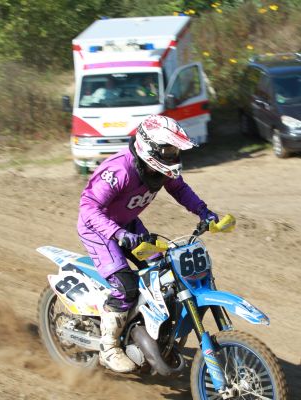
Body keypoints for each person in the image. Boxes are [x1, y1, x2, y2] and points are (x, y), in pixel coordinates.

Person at [77, 115, 218, 373]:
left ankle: (152, 333)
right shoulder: (119, 171)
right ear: (150, 148)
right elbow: (88, 207)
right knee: (126, 286)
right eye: (168, 150)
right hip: (99, 230)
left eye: (175, 150)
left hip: (128, 225)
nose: (173, 156)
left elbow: (180, 189)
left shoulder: (161, 170)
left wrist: (203, 211)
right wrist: (116, 232)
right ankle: (109, 347)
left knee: (164, 274)